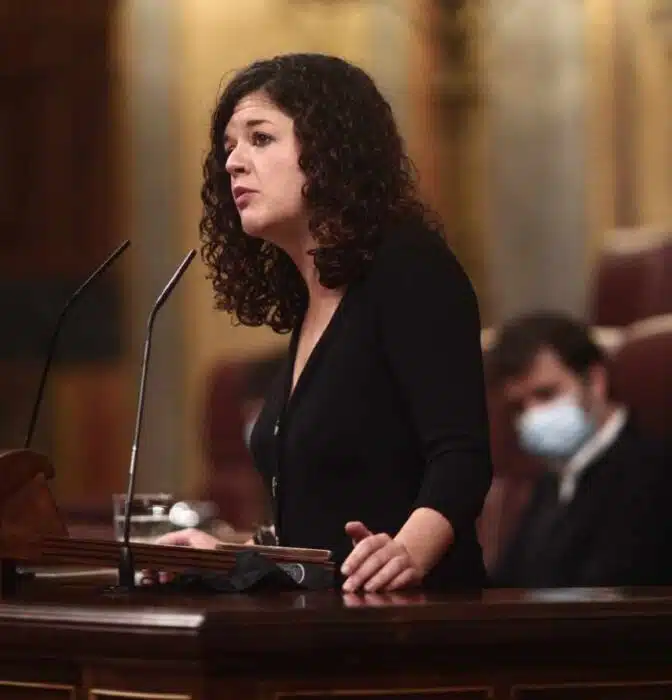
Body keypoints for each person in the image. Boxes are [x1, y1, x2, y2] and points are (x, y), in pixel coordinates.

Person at [155, 53, 492, 592]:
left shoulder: (408, 266)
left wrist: (407, 551)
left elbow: (461, 456)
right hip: (325, 614)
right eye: (229, 147)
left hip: (415, 614)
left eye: (260, 138)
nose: (234, 162)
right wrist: (225, 555)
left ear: (330, 149)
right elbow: (318, 535)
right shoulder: (312, 299)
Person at [487, 311, 672, 588]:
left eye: (546, 394)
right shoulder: (553, 479)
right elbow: (506, 586)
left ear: (595, 381)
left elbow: (612, 588)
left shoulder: (653, 472)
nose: (532, 416)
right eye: (518, 407)